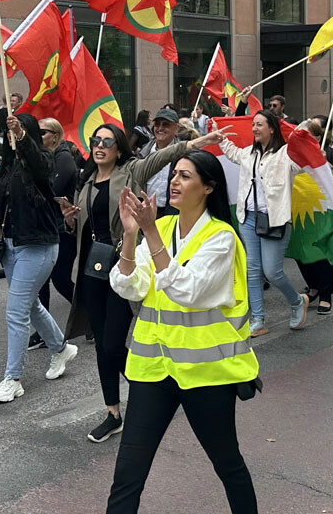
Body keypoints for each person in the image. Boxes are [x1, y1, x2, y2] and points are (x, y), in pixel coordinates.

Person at [106, 151, 258, 513]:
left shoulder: (221, 238)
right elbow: (129, 286)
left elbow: (187, 291)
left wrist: (148, 233)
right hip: (153, 370)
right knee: (128, 472)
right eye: (174, 174)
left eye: (186, 176)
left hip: (206, 374)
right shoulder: (161, 228)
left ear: (208, 187)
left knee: (228, 465)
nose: (174, 181)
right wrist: (130, 236)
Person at [59, 123, 226, 444]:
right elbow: (82, 228)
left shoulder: (132, 171)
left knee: (111, 345)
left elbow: (167, 155)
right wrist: (70, 218)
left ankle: (151, 396)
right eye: (96, 140)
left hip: (125, 266)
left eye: (107, 141)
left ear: (119, 149)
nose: (100, 145)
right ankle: (113, 413)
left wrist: (199, 140)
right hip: (92, 271)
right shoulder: (86, 181)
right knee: (101, 350)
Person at [0, 114, 79, 404]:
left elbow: (38, 168)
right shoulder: (8, 164)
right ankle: (61, 348)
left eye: (21, 132)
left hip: (38, 246)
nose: (12, 137)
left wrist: (23, 136)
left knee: (16, 311)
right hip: (11, 245)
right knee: (31, 304)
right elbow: (6, 198)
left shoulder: (46, 161)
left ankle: (12, 379)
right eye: (10, 134)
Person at [218, 110, 311, 337]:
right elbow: (232, 153)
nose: (254, 129)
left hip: (274, 220)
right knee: (253, 270)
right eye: (253, 125)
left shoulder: (285, 154)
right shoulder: (249, 153)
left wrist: (303, 136)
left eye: (259, 124)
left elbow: (301, 162)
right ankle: (258, 319)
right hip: (248, 218)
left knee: (272, 271)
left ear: (272, 128)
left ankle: (297, 301)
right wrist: (220, 138)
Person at [295, 120, 333, 314]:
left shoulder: (330, 152)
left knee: (324, 251)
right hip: (301, 212)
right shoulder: (291, 155)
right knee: (303, 252)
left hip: (325, 212)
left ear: (317, 138)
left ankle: (326, 294)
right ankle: (313, 287)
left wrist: (325, 165)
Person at [36, 118, 78, 322]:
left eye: (42, 132)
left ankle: (88, 316)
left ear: (54, 135)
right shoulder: (43, 156)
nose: (39, 136)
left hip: (62, 229)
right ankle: (44, 331)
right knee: (40, 282)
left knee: (61, 280)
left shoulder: (63, 158)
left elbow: (52, 190)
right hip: (45, 226)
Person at [139, 108, 182, 215]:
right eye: (157, 124)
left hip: (173, 212)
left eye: (165, 124)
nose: (160, 128)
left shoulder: (183, 155)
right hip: (146, 210)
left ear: (176, 128)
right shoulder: (143, 154)